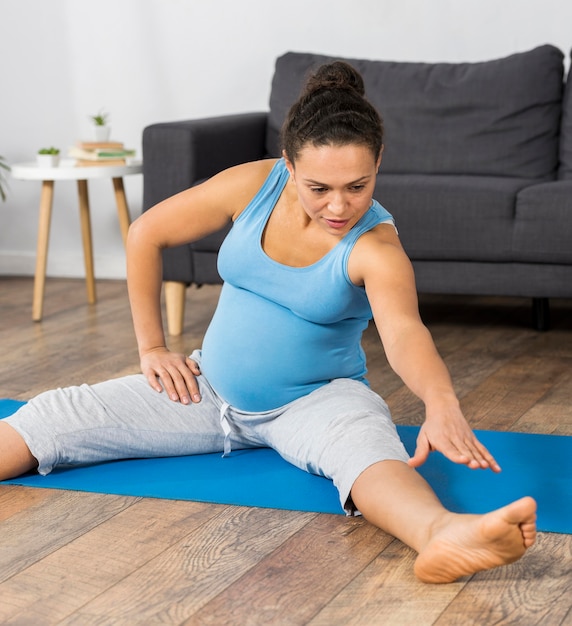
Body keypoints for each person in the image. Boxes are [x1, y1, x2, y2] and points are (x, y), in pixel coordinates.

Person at [0, 61, 536, 584]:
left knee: (369, 454)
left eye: (357, 185)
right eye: (318, 187)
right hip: (206, 389)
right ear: (287, 163)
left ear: (379, 163)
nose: (339, 206)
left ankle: (444, 534)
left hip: (316, 401)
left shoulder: (376, 247)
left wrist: (441, 403)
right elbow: (146, 234)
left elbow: (404, 334)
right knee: (50, 417)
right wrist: (152, 348)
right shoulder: (253, 185)